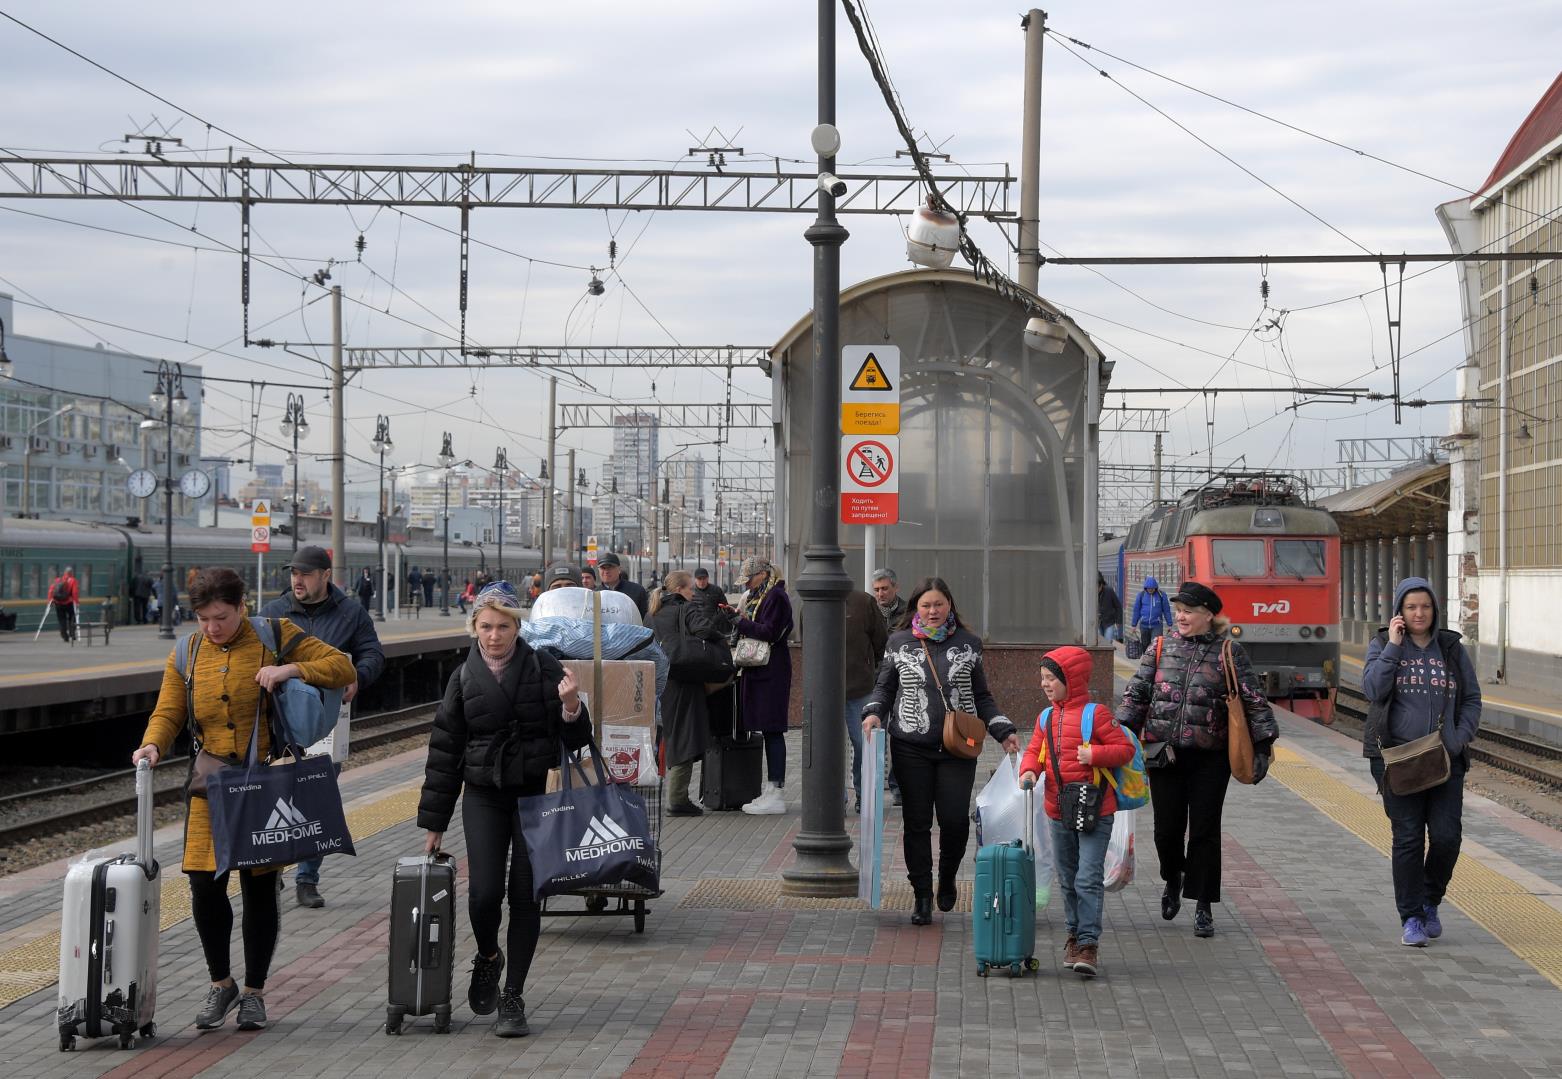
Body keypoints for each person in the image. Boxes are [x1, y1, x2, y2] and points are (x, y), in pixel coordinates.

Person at [131, 567, 355, 1032]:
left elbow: (342, 666)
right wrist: (152, 744)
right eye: (203, 618)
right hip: (209, 785)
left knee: (258, 888)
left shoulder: (275, 634)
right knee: (203, 885)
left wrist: (290, 668)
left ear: (241, 608)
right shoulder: (187, 652)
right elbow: (169, 709)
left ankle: (254, 992)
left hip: (261, 783)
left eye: (221, 617)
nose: (212, 628)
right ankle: (221, 983)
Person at [417, 581, 592, 1038]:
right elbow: (444, 751)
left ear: (519, 627)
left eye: (504, 626)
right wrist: (434, 822)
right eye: (487, 626)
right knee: (483, 893)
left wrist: (572, 705)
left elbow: (577, 742)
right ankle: (489, 955)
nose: (495, 636)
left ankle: (512, 997)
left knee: (525, 896)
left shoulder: (544, 667)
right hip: (482, 794)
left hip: (533, 794)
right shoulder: (463, 677)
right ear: (474, 627)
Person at [1119, 581, 1276, 939]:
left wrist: (1264, 746)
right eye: (1178, 610)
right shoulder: (1159, 647)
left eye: (1188, 611)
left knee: (1204, 831)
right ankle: (1172, 878)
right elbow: (1137, 694)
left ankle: (1203, 903)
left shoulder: (1229, 652)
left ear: (1208, 614)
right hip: (1164, 754)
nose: (1181, 616)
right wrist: (1121, 732)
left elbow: (1253, 700)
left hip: (1211, 758)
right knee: (1166, 832)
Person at [862, 577, 1019, 924]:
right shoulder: (899, 642)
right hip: (909, 747)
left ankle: (947, 877)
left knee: (953, 820)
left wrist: (1004, 731)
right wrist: (873, 713)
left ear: (949, 605)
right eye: (926, 605)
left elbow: (981, 696)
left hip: (958, 748)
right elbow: (884, 688)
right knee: (916, 823)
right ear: (915, 608)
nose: (933, 611)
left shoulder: (969, 644)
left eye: (939, 604)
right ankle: (921, 894)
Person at [258, 545, 385, 909]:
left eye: (306, 573)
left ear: (325, 576)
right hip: (280, 718)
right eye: (293, 573)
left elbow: (373, 653)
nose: (297, 580)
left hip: (329, 718)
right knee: (276, 792)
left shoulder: (350, 612)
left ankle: (307, 878)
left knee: (317, 793)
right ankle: (273, 871)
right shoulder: (274, 612)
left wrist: (358, 677)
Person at [1361, 576, 1481, 947]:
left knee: (1447, 837)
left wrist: (1458, 741)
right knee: (1409, 839)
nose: (1418, 613)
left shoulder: (1449, 648)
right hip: (1398, 759)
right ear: (1400, 610)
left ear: (1435, 610)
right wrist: (1394, 648)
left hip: (1445, 759)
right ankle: (1411, 917)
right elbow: (1373, 690)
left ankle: (1430, 901)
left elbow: (1472, 699)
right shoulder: (1383, 644)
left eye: (1425, 606)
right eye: (1411, 607)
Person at [1019, 646, 1134, 977]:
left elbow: (1124, 749)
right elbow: (1034, 752)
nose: (1045, 684)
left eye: (1051, 678)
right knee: (1068, 878)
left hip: (1096, 810)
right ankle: (1073, 935)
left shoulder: (1096, 714)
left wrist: (1095, 755)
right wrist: (1029, 771)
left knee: (1087, 877)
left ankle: (1088, 944)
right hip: (1058, 810)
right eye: (1042, 678)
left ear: (1073, 679)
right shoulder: (1046, 717)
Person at [648, 569, 735, 815]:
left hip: (661, 681)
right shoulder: (685, 608)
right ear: (679, 590)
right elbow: (704, 631)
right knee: (685, 736)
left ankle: (675, 796)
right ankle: (677, 799)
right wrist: (721, 638)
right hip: (685, 678)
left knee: (670, 735)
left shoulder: (652, 613)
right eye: (689, 589)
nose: (693, 593)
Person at [732, 558, 794, 815]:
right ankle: (771, 789)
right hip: (762, 669)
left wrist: (740, 622)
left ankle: (776, 790)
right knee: (769, 730)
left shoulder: (775, 596)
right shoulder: (761, 595)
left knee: (773, 729)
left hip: (771, 669)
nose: (747, 584)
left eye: (749, 578)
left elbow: (769, 631)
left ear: (762, 574)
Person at [843, 588, 888, 812]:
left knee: (864, 744)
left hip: (859, 687)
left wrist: (873, 672)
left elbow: (881, 640)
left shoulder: (862, 601)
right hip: (824, 691)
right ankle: (835, 797)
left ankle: (865, 794)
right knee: (826, 748)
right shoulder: (813, 597)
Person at [869, 567, 906, 804]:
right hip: (875, 679)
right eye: (876, 590)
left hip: (902, 679)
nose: (880, 594)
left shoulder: (907, 612)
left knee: (900, 734)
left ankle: (898, 786)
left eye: (884, 589)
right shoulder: (869, 611)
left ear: (895, 587)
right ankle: (871, 784)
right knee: (874, 731)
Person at [596, 552, 649, 619]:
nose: (606, 571)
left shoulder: (637, 591)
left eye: (610, 567)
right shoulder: (594, 594)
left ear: (619, 569)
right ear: (598, 570)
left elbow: (645, 619)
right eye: (603, 568)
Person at [1131, 577, 1172, 644]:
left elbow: (1166, 610)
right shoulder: (1141, 595)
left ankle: (1155, 654)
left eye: (1152, 588)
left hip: (1157, 625)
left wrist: (1169, 624)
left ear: (1155, 588)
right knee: (1145, 644)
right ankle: (1145, 654)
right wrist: (1134, 625)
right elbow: (1136, 610)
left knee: (1156, 644)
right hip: (1144, 625)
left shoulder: (1161, 595)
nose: (1150, 590)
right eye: (1148, 588)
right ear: (1145, 588)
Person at [48, 565, 80, 643]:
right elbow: (75, 592)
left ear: (65, 572)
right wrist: (77, 602)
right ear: (71, 573)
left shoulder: (57, 580)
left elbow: (51, 591)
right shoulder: (73, 580)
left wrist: (50, 601)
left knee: (62, 620)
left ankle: (64, 635)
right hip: (69, 603)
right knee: (72, 618)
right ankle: (72, 634)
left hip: (58, 603)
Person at [1097, 574, 1123, 643]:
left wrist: (1118, 621)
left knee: (1108, 642)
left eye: (1098, 587)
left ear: (1101, 585)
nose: (1096, 590)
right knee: (1098, 643)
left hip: (1109, 622)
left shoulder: (1109, 591)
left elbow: (1118, 606)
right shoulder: (1090, 592)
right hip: (1097, 623)